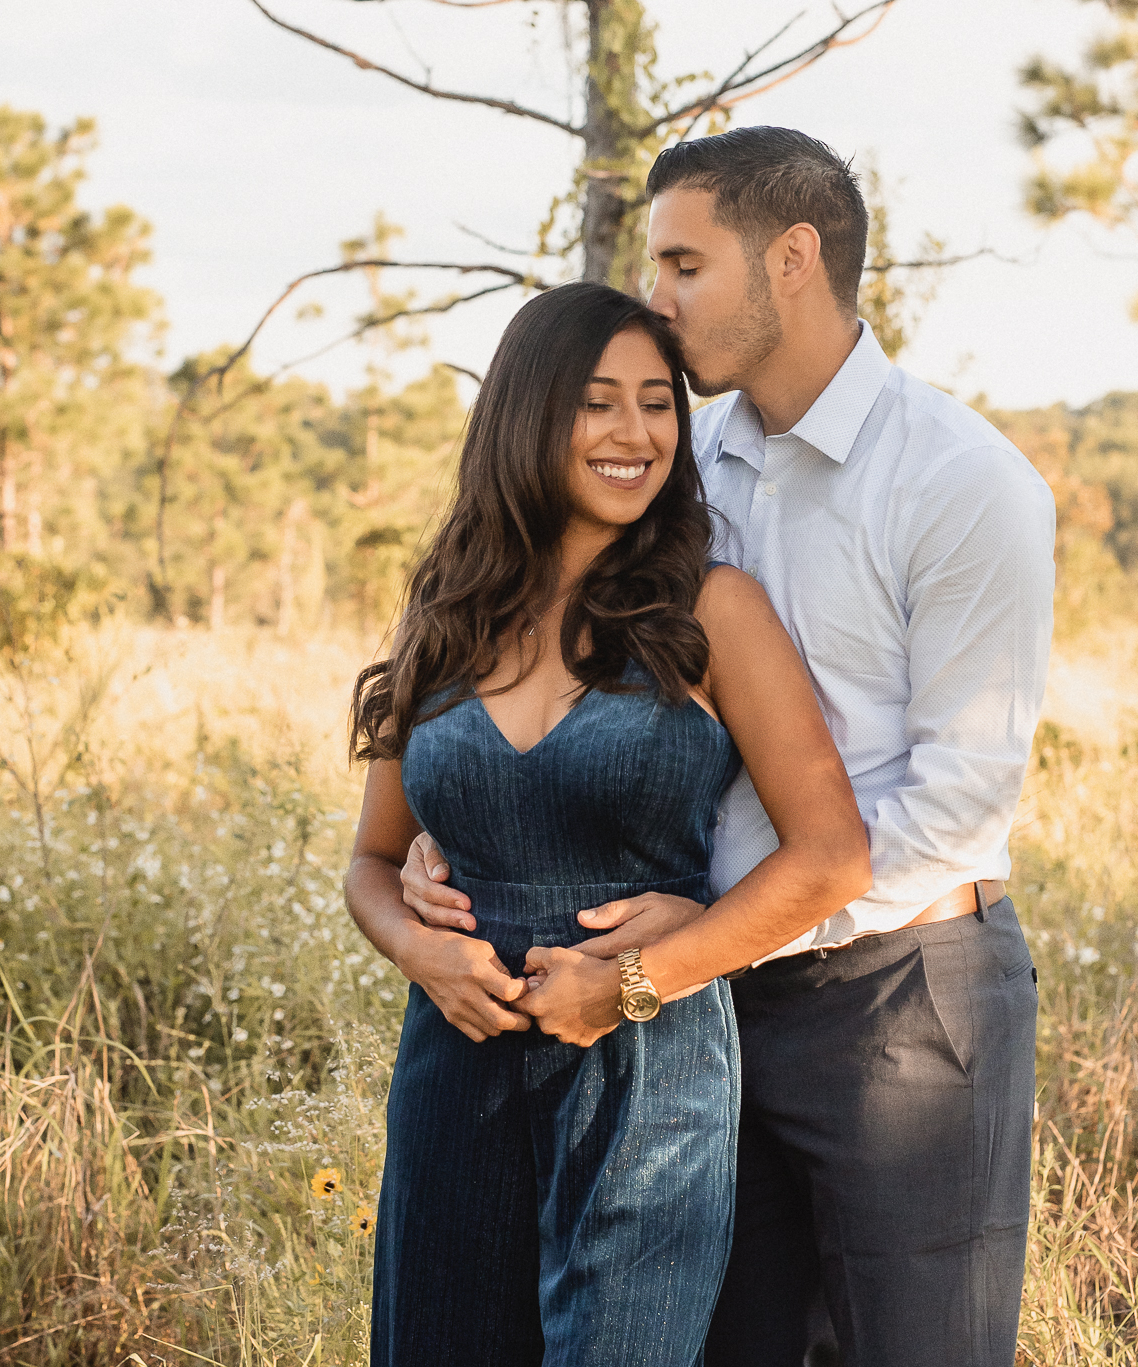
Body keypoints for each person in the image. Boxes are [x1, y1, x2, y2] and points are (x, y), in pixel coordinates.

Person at [402, 128, 1056, 1366]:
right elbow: (587, 683)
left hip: (901, 996)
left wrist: (703, 942)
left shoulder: (964, 482)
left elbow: (959, 799)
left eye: (684, 263)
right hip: (700, 1000)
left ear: (791, 260)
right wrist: (477, 826)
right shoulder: (688, 463)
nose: (657, 296)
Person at [345, 280, 872, 1367]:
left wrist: (633, 982)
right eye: (597, 403)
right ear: (529, 414)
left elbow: (830, 858)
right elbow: (371, 857)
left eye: (656, 403)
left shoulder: (710, 608)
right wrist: (417, 948)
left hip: (645, 1069)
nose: (635, 434)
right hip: (455, 1064)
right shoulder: (447, 611)